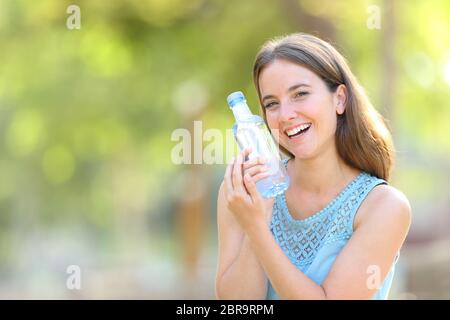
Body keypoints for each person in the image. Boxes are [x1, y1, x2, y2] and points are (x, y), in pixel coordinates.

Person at [215, 33, 411, 300]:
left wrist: (257, 230)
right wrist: (256, 217)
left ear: (339, 99)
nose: (285, 115)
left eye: (300, 94)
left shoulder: (384, 207)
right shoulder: (242, 194)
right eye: (271, 103)